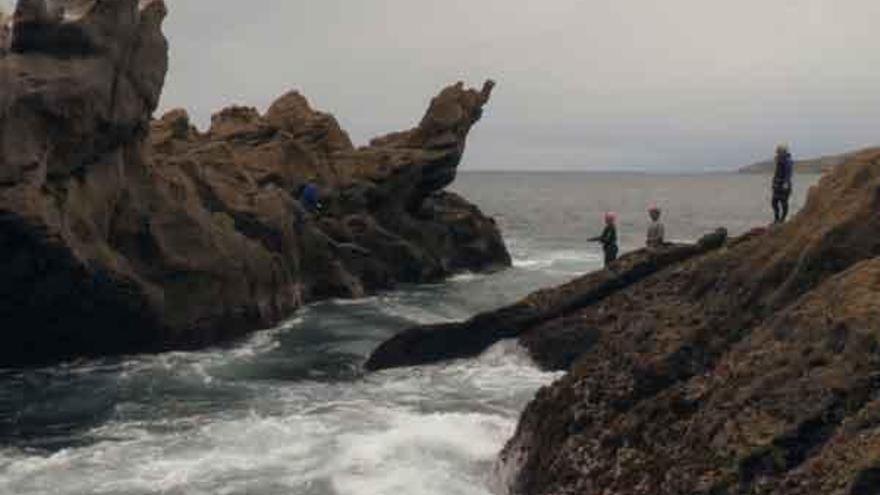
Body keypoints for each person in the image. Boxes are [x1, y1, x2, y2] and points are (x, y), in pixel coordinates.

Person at [771, 144, 794, 223]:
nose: (777, 153)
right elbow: (777, 173)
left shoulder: (788, 161)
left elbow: (788, 173)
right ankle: (777, 218)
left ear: (783, 151)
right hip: (777, 185)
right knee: (774, 202)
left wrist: (786, 182)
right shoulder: (779, 160)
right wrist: (774, 183)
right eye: (777, 152)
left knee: (783, 202)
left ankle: (782, 219)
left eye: (779, 151)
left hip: (784, 185)